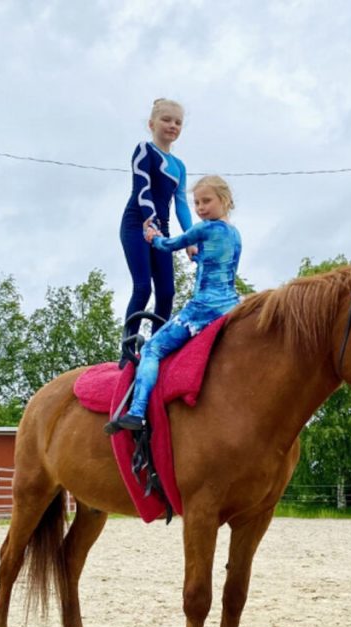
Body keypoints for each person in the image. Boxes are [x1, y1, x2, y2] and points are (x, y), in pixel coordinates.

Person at [105, 175, 241, 434]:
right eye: (197, 203)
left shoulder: (205, 229)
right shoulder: (234, 235)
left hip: (203, 310)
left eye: (207, 201)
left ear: (225, 200)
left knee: (152, 349)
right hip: (230, 305)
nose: (200, 208)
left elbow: (169, 245)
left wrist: (152, 235)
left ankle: (137, 411)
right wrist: (198, 257)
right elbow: (216, 265)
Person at [120, 98, 193, 341]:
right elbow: (143, 189)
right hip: (137, 224)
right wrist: (150, 220)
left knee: (167, 292)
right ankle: (128, 347)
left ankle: (157, 348)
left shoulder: (179, 166)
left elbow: (181, 205)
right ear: (151, 124)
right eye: (166, 120)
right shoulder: (144, 150)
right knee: (143, 287)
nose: (173, 125)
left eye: (178, 122)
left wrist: (191, 239)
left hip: (161, 230)